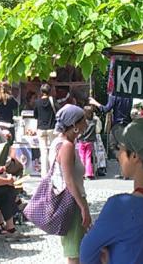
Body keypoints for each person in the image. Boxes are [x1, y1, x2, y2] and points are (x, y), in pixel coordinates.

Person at [80, 119, 143, 264]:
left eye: (120, 148)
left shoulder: (120, 206)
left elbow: (87, 252)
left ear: (134, 156)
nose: (117, 155)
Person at [49, 104, 91, 264]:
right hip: (72, 203)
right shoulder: (66, 146)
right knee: (74, 253)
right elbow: (69, 180)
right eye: (83, 121)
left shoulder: (58, 143)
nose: (86, 125)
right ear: (74, 125)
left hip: (68, 201)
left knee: (74, 251)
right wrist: (83, 207)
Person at [90, 93, 133, 160]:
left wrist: (94, 102)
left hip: (118, 125)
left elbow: (106, 109)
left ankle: (122, 161)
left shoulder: (114, 95)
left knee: (113, 146)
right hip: (127, 124)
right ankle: (124, 161)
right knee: (124, 147)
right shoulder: (129, 95)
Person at [77, 106, 98, 180]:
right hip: (90, 141)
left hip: (82, 141)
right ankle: (89, 173)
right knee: (88, 157)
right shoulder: (94, 121)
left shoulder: (82, 121)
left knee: (81, 157)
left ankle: (81, 173)